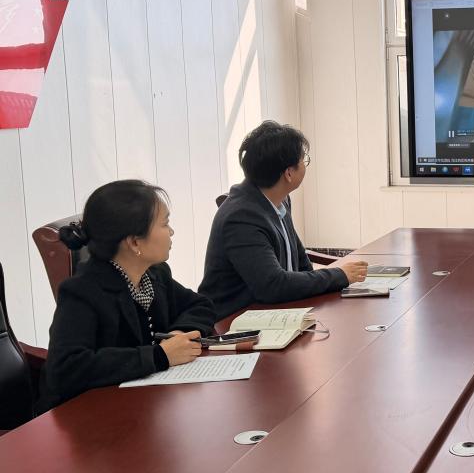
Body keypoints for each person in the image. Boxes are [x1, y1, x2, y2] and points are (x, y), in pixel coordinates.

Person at [37, 180, 214, 411]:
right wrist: (159, 356)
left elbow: (200, 305)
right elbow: (67, 368)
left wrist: (178, 334)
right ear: (134, 242)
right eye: (164, 224)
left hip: (144, 404)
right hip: (90, 415)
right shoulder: (82, 291)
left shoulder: (154, 274)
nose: (171, 232)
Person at [200, 121, 367, 319]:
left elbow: (301, 264)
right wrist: (340, 275)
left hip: (275, 311)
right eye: (303, 160)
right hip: (234, 320)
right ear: (288, 173)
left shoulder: (279, 199)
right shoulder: (241, 216)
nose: (305, 164)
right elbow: (272, 285)